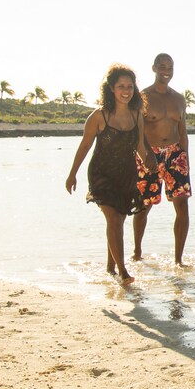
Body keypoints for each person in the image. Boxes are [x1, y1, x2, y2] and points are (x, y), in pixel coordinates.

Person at [65, 64, 152, 285]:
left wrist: (151, 166)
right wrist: (72, 174)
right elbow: (84, 146)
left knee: (119, 220)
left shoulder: (136, 115)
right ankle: (123, 271)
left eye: (130, 86)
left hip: (127, 174)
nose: (126, 90)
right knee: (113, 219)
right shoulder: (99, 116)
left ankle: (109, 267)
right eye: (121, 86)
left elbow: (140, 146)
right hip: (102, 174)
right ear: (111, 89)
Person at [132, 52, 191, 267]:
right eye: (163, 66)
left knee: (182, 205)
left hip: (176, 154)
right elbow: (137, 132)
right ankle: (137, 252)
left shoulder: (179, 99)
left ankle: (178, 260)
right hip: (150, 153)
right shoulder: (143, 97)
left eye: (170, 67)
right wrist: (145, 154)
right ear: (154, 68)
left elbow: (182, 131)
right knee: (144, 206)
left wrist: (185, 159)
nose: (167, 71)